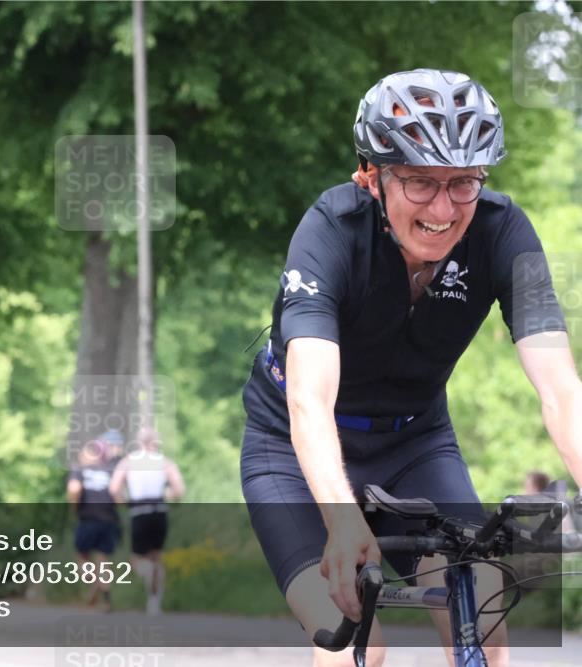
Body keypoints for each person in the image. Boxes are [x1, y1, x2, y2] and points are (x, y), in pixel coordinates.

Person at [240, 68, 582, 667]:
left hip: (415, 445)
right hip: (293, 453)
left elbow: (562, 390)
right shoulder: (330, 231)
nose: (444, 208)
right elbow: (309, 401)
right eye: (421, 183)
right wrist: (343, 524)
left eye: (463, 182)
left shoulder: (505, 233)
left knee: (480, 613)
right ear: (371, 177)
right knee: (350, 643)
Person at [109, 426, 185, 615]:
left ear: (139, 442)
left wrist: (123, 503)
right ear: (156, 442)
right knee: (157, 556)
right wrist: (169, 496)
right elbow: (179, 490)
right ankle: (154, 603)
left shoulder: (128, 462)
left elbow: (113, 488)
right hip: (159, 510)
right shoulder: (165, 463)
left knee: (137, 558)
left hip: (138, 510)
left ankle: (146, 572)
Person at [67, 434, 121, 611]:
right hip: (110, 519)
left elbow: (74, 489)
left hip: (88, 518)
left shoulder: (80, 470)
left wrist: (74, 508)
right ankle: (106, 598)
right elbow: (119, 495)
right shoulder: (111, 470)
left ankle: (94, 583)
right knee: (103, 559)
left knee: (81, 556)